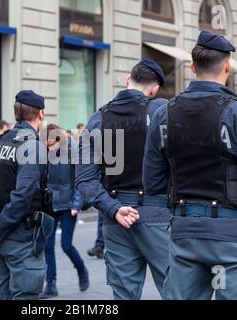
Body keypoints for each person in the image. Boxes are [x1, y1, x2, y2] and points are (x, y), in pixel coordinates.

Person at [144, 31, 237, 300]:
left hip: (184, 233)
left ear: (192, 67)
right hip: (232, 238)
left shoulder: (164, 114)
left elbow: (152, 183)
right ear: (227, 67)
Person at [76, 59, 170, 300]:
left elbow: (85, 180)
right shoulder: (162, 112)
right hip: (158, 214)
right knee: (176, 290)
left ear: (128, 79)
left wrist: (113, 208)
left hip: (116, 218)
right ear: (154, 90)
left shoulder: (98, 119)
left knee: (124, 295)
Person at [0, 90, 51, 300]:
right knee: (24, 296)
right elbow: (23, 195)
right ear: (41, 114)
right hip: (20, 235)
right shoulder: (32, 146)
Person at [39, 124, 89, 299]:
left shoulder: (71, 153)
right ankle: (50, 283)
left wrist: (77, 204)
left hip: (68, 206)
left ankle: (81, 269)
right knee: (47, 245)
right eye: (45, 141)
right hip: (49, 205)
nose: (47, 144)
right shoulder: (43, 154)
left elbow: (79, 180)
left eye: (50, 141)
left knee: (66, 245)